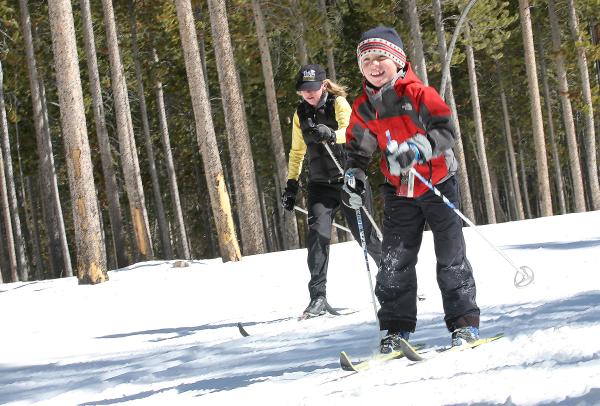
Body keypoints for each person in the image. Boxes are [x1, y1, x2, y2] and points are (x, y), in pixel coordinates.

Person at [342, 26, 480, 351]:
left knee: (450, 256)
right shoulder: (364, 106)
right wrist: (353, 176)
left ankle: (463, 325)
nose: (374, 66)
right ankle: (394, 329)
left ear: (398, 60)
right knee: (394, 261)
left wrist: (418, 148)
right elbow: (358, 150)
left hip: (437, 182)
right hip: (399, 191)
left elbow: (445, 130)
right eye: (366, 61)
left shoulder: (419, 93)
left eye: (381, 58)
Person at [281, 63, 382, 319]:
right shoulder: (300, 113)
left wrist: (330, 133)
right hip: (319, 184)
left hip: (347, 177)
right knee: (317, 236)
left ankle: (394, 276)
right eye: (304, 90)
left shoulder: (338, 103)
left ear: (324, 85)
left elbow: (350, 132)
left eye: (313, 89)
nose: (308, 94)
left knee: (364, 236)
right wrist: (291, 184)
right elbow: (296, 152)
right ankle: (318, 297)